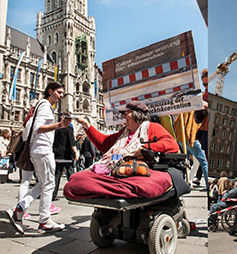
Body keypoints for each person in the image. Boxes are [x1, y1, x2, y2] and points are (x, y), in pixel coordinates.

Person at [64, 100, 180, 200]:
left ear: (138, 114)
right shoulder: (123, 133)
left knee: (147, 185)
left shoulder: (153, 127)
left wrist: (145, 148)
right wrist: (87, 126)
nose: (124, 116)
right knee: (75, 180)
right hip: (113, 171)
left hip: (135, 172)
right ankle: (113, 188)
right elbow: (104, 144)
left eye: (127, 113)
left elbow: (172, 145)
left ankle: (108, 189)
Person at [6, 81, 71, 235]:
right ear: (50, 91)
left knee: (43, 183)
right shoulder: (44, 106)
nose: (61, 96)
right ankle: (44, 221)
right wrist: (59, 125)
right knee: (49, 184)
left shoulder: (44, 106)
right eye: (59, 92)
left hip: (38, 150)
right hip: (42, 150)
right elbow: (38, 128)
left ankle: (19, 209)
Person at [52, 113, 78, 201]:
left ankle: (53, 194)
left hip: (57, 155)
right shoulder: (69, 129)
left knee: (57, 175)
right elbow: (72, 142)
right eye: (69, 119)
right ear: (64, 119)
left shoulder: (56, 128)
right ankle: (74, 192)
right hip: (67, 156)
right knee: (71, 175)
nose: (70, 121)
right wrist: (75, 153)